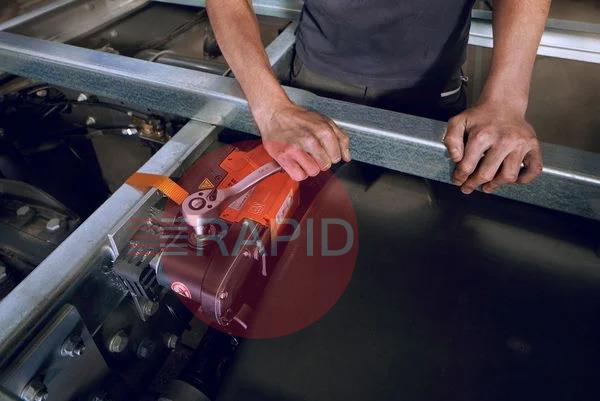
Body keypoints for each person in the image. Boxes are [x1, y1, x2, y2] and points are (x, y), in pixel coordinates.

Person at [206, 0, 549, 194]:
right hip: (316, 81)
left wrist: (506, 99)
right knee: (305, 217)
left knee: (424, 230)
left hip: (433, 93)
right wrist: (270, 109)